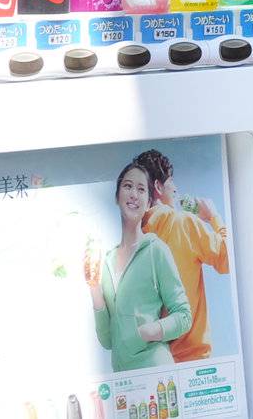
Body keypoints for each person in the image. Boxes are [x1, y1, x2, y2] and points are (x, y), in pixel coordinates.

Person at [86, 159, 190, 373]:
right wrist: (93, 286)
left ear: (149, 201)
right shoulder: (106, 261)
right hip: (123, 380)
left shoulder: (156, 250)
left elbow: (184, 316)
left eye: (141, 189)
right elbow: (107, 340)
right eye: (127, 186)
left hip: (156, 372)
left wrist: (148, 332)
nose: (134, 194)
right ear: (117, 196)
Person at [134, 147, 229, 362]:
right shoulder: (183, 223)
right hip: (192, 359)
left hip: (153, 361)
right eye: (171, 182)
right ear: (158, 186)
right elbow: (228, 260)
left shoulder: (135, 240)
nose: (175, 188)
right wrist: (214, 217)